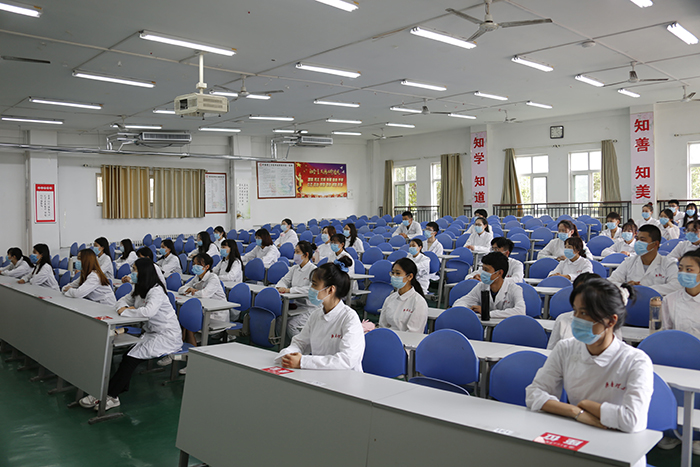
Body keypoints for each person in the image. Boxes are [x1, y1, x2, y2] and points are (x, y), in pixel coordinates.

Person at [525, 279, 653, 467]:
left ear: (611, 320)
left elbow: (633, 420)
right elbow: (534, 393)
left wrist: (585, 405)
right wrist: (575, 411)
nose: (576, 319)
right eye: (575, 311)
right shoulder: (566, 348)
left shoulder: (635, 361)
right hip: (576, 437)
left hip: (620, 448)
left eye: (584, 313)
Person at [79, 258, 182, 412]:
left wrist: (125, 311)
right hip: (152, 333)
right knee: (128, 357)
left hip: (167, 336)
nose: (131, 273)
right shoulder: (139, 288)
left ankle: (109, 395)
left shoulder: (156, 291)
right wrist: (123, 308)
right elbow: (121, 301)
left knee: (130, 358)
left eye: (134, 269)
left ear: (144, 272)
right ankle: (112, 394)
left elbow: (148, 312)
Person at [275, 257, 365, 371]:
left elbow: (347, 360)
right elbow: (300, 343)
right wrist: (288, 354)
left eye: (314, 284)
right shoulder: (316, 315)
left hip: (345, 378)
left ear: (331, 290)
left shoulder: (349, 318)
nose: (311, 289)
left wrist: (303, 362)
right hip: (319, 374)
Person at [608, 225, 681, 296]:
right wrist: (627, 287)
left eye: (642, 240)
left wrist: (644, 289)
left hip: (658, 302)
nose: (638, 243)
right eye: (637, 239)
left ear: (655, 244)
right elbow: (611, 282)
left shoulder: (668, 264)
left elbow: (676, 286)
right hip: (632, 301)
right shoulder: (629, 262)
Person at [453, 252, 526, 319]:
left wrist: (487, 313)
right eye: (483, 269)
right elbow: (460, 302)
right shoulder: (481, 286)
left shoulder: (514, 289)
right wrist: (467, 310)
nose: (483, 273)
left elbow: (520, 311)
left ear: (499, 273)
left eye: (486, 270)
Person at [275, 241, 318, 339]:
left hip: (310, 308)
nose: (295, 254)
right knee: (280, 321)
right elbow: (284, 280)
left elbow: (310, 289)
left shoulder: (314, 270)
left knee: (291, 325)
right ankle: (284, 345)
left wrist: (289, 290)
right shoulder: (294, 268)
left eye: (297, 252)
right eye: (295, 252)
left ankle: (300, 346)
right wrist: (280, 288)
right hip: (298, 306)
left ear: (306, 255)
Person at [377, 258, 428, 333]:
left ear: (410, 276)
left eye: (398, 273)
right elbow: (382, 325)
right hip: (387, 337)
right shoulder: (390, 298)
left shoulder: (419, 302)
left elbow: (414, 333)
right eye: (393, 273)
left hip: (407, 339)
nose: (394, 276)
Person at [661, 250, 700, 339]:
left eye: (689, 269)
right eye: (680, 269)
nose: (683, 273)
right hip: (677, 345)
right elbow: (664, 334)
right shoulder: (669, 300)